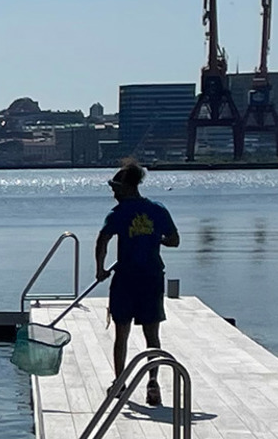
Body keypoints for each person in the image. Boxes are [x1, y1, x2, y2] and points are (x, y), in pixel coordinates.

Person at [95, 160, 180, 407]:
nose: (113, 192)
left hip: (126, 280)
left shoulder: (118, 213)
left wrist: (100, 269)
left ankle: (120, 382)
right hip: (151, 277)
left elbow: (102, 241)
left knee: (122, 333)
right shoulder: (158, 210)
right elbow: (174, 240)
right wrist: (157, 239)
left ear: (127, 187)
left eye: (115, 187)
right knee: (151, 334)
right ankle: (152, 382)